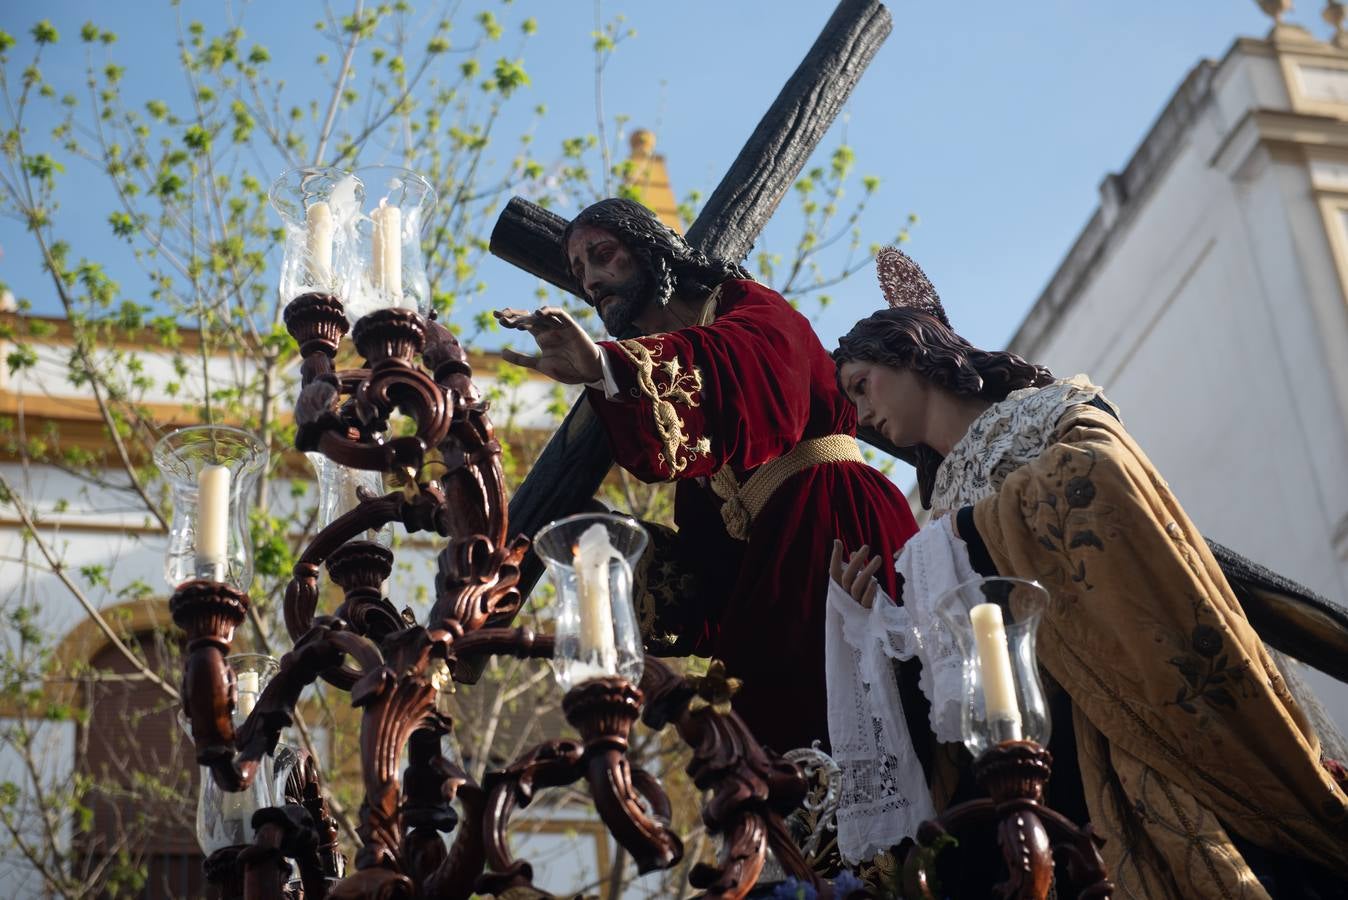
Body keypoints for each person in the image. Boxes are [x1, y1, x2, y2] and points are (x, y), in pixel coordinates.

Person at [827, 247, 1348, 897]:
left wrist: (973, 535)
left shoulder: (1050, 412)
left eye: (861, 386)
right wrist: (887, 626)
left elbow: (1105, 482)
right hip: (1046, 744)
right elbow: (965, 665)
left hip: (1131, 699)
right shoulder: (938, 509)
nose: (864, 415)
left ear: (909, 353)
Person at [493, 198, 920, 753]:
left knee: (878, 726)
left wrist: (605, 366)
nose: (592, 280)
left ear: (648, 249)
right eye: (578, 270)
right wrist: (602, 549)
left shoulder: (750, 307)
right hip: (771, 575)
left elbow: (752, 371)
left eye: (603, 255)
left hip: (838, 530)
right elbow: (706, 571)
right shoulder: (703, 466)